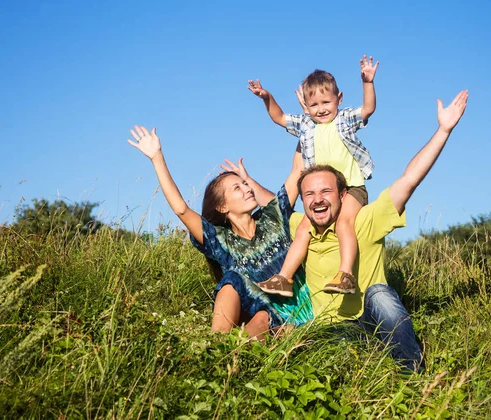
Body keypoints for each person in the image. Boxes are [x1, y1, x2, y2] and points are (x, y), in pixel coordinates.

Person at [289, 90, 469, 370]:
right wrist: (310, 126)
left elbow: (409, 180)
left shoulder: (365, 220)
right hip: (332, 330)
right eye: (309, 194)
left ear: (342, 194)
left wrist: (443, 131)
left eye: (326, 191)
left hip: (372, 319)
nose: (318, 199)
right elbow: (265, 207)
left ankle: (412, 377)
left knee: (379, 294)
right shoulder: (299, 229)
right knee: (328, 343)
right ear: (302, 200)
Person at [128, 127, 312, 339]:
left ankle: (243, 350)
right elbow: (181, 209)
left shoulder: (272, 217)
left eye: (245, 184)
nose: (247, 188)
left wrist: (305, 124)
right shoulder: (220, 241)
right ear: (223, 207)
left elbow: (298, 170)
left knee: (259, 315)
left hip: (300, 310)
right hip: (265, 316)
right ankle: (217, 349)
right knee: (234, 281)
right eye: (237, 188)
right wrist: (156, 157)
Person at [248, 55, 380, 297]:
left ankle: (346, 274)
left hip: (351, 188)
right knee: (302, 230)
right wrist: (267, 97)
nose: (321, 109)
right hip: (323, 194)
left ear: (339, 99)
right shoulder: (306, 125)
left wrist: (368, 82)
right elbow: (279, 117)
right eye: (314, 105)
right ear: (306, 107)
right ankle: (284, 279)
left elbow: (369, 108)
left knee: (344, 222)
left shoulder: (344, 120)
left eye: (326, 102)